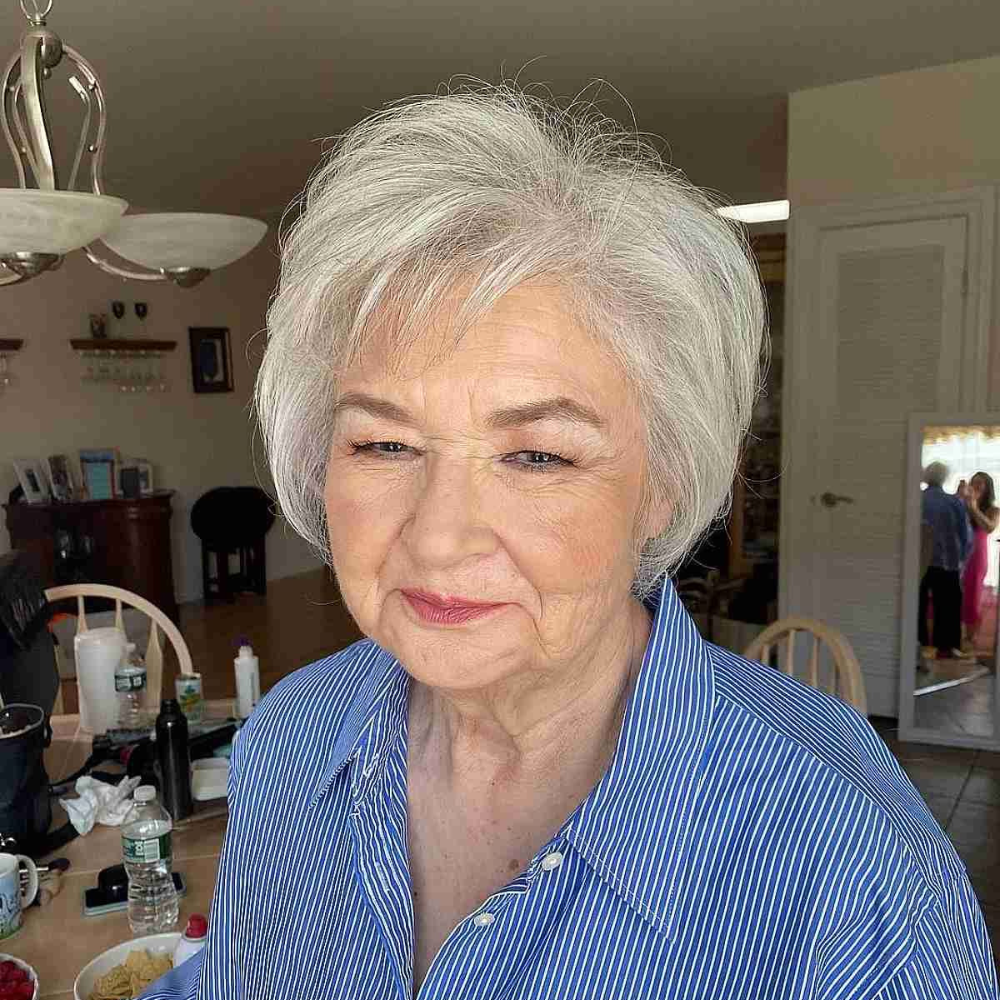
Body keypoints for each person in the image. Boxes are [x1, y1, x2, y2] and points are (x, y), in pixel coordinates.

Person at [144, 86, 997, 1000]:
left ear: (663, 481)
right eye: (384, 443)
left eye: (539, 455)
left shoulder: (854, 873)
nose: (437, 540)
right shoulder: (288, 745)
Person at [919, 461, 972, 658]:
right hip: (947, 563)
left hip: (918, 562)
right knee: (948, 606)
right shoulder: (953, 502)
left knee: (917, 605)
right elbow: (965, 535)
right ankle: (946, 648)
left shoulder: (917, 499)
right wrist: (962, 560)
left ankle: (918, 646)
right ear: (944, 478)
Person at [962, 471, 1000, 650]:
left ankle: (971, 639)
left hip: (977, 556)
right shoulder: (963, 503)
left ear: (987, 488)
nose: (976, 486)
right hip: (958, 554)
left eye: (980, 484)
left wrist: (973, 507)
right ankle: (956, 637)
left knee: (973, 595)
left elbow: (989, 527)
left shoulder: (993, 509)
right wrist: (959, 499)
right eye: (973, 482)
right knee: (956, 594)